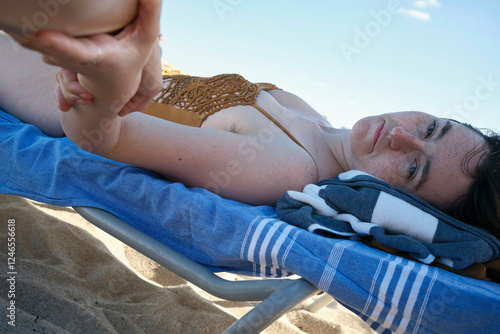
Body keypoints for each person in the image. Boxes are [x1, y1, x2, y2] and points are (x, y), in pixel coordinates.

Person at [1, 1, 499, 242]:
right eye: (431, 127)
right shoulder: (311, 116)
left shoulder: (285, 169)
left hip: (33, 70)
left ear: (397, 206)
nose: (400, 136)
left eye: (412, 169)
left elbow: (101, 138)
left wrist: (103, 79)